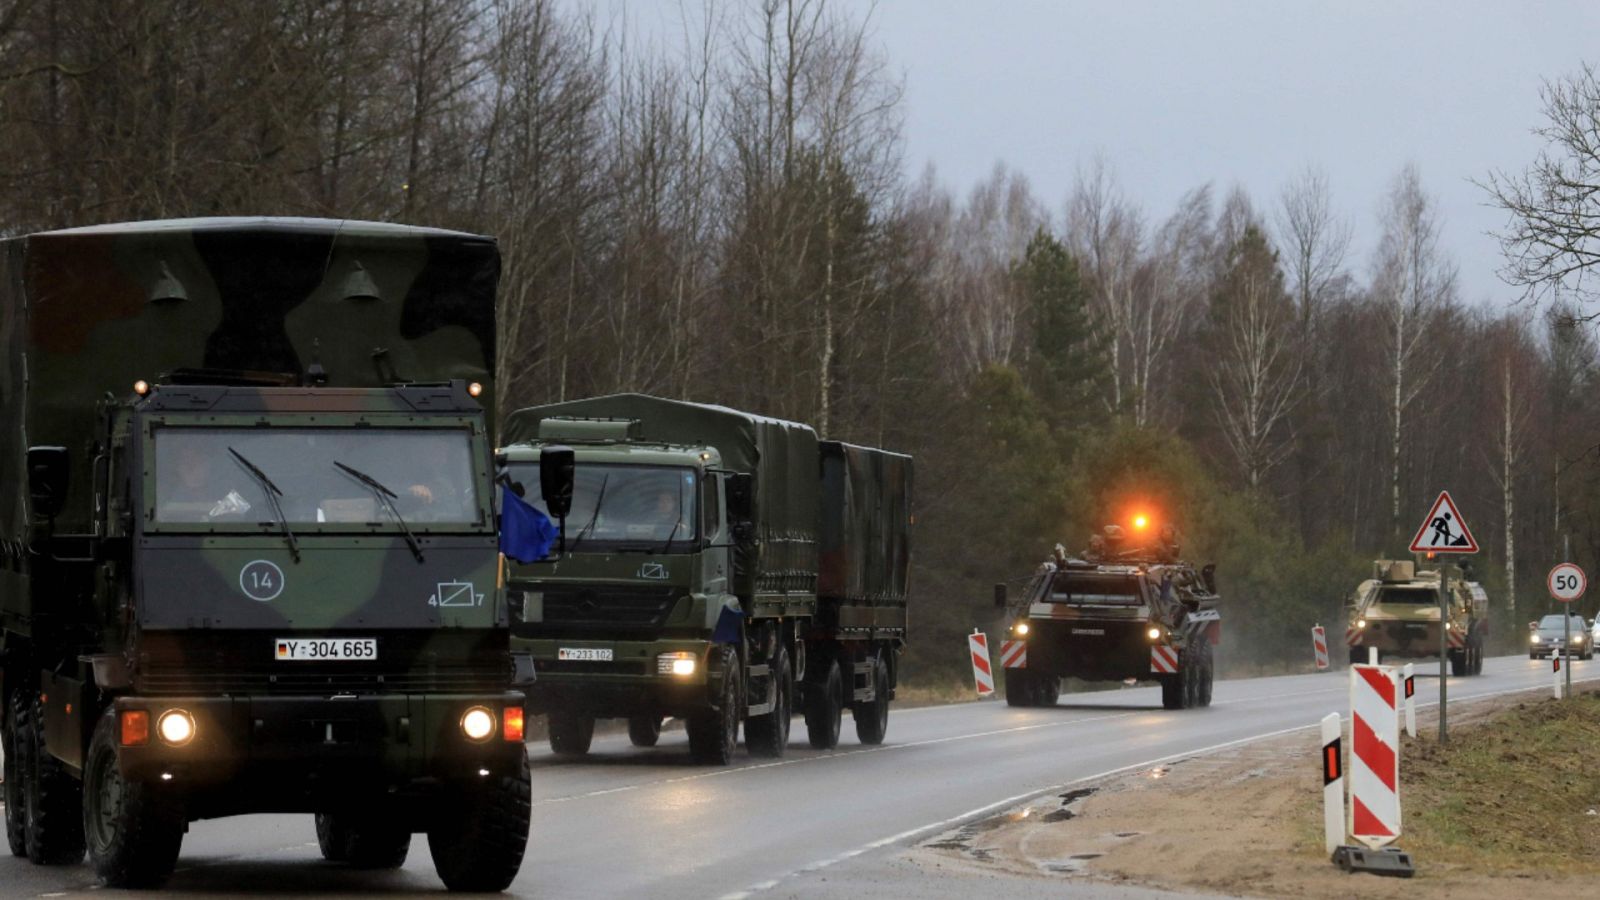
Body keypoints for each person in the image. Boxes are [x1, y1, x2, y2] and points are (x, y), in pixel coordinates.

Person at [157, 440, 250, 521]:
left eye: (196, 460)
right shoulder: (166, 501)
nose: (191, 466)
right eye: (184, 461)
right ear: (177, 468)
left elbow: (244, 519)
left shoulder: (230, 495)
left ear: (208, 464)